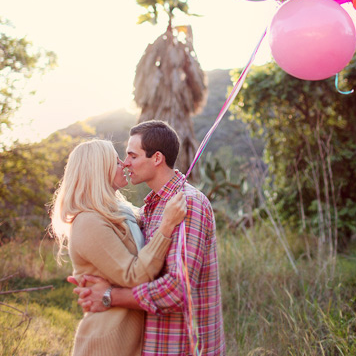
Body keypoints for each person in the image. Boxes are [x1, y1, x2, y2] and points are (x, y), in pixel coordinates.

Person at [73, 120, 226, 356]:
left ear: (156, 159)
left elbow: (178, 288)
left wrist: (109, 296)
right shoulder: (150, 209)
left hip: (182, 345)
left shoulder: (187, 204)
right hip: (153, 345)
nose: (126, 163)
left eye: (132, 156)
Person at [49, 138, 187, 356]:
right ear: (99, 169)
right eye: (115, 161)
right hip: (108, 343)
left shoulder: (123, 213)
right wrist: (167, 226)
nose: (124, 164)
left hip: (129, 340)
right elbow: (134, 276)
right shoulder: (88, 222)